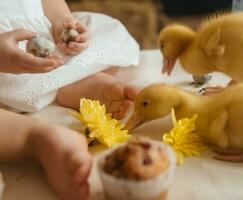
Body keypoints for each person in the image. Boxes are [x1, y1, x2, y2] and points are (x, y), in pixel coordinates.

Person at [0, 0, 140, 119]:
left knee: (109, 34)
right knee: (15, 82)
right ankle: (71, 84)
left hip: (47, 32)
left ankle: (74, 81)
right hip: (6, 54)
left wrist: (61, 18)